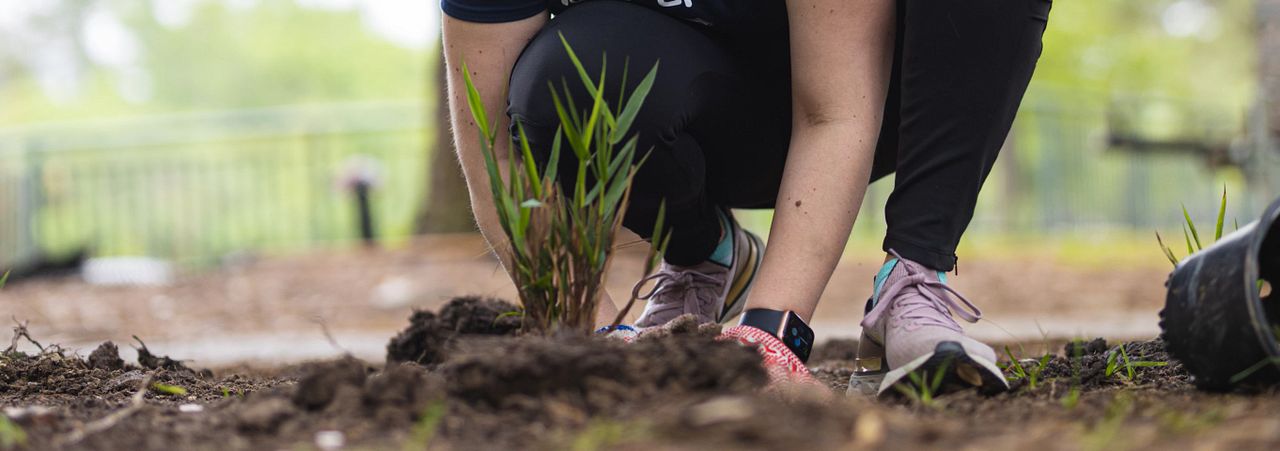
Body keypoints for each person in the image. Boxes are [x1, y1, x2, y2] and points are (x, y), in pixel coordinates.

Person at [441, 0, 1051, 392]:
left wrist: (772, 335)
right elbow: (493, 152)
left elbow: (833, 113)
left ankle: (913, 274)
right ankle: (703, 252)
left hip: (869, 101)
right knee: (564, 78)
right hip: (695, 104)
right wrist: (585, 332)